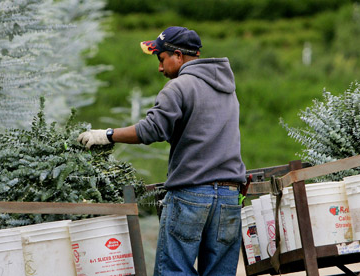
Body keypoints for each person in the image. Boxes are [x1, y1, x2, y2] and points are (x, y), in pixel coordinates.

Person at [77, 26, 246, 276]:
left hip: (192, 195)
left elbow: (152, 130)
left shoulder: (178, 87)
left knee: (173, 271)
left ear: (178, 55)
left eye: (161, 59)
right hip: (230, 197)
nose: (159, 68)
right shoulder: (228, 89)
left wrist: (107, 135)